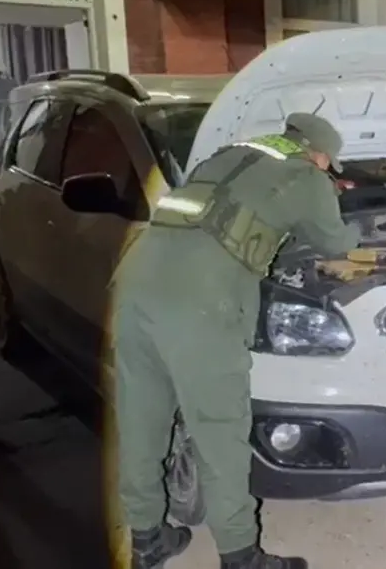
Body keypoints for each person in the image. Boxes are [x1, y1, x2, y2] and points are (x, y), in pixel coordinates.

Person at [114, 113, 360, 569]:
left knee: (140, 419)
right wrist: (361, 228)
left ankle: (147, 539)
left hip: (135, 283)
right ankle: (241, 556)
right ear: (319, 154)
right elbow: (336, 242)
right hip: (199, 306)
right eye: (330, 164)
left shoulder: (227, 155)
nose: (328, 170)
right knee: (219, 431)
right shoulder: (308, 177)